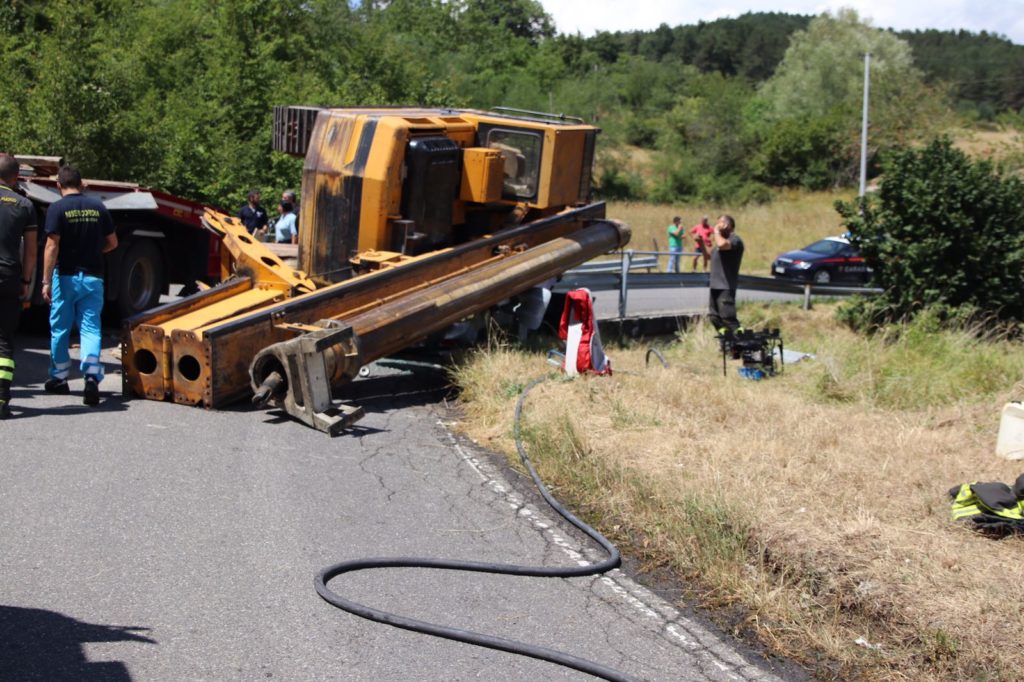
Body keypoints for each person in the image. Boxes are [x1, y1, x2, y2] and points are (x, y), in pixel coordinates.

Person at [41, 165, 117, 406]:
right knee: (90, 328)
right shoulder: (98, 207)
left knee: (61, 328)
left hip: (65, 277)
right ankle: (92, 378)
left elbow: (52, 247)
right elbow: (112, 243)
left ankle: (59, 379)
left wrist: (45, 280)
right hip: (94, 277)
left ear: (58, 184)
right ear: (81, 183)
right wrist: (96, 251)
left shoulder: (57, 208)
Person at [0, 153, 38, 419]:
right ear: (16, 177)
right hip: (8, 277)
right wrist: (26, 281)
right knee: (3, 340)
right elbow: (32, 251)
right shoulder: (24, 204)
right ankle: (2, 400)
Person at [708, 214, 744, 335]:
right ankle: (727, 341)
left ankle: (742, 341)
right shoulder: (719, 244)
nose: (717, 226)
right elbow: (708, 256)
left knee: (728, 318)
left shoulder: (735, 240)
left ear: (729, 226)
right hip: (715, 286)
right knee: (714, 317)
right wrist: (700, 243)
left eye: (720, 223)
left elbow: (723, 245)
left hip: (726, 286)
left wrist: (716, 231)